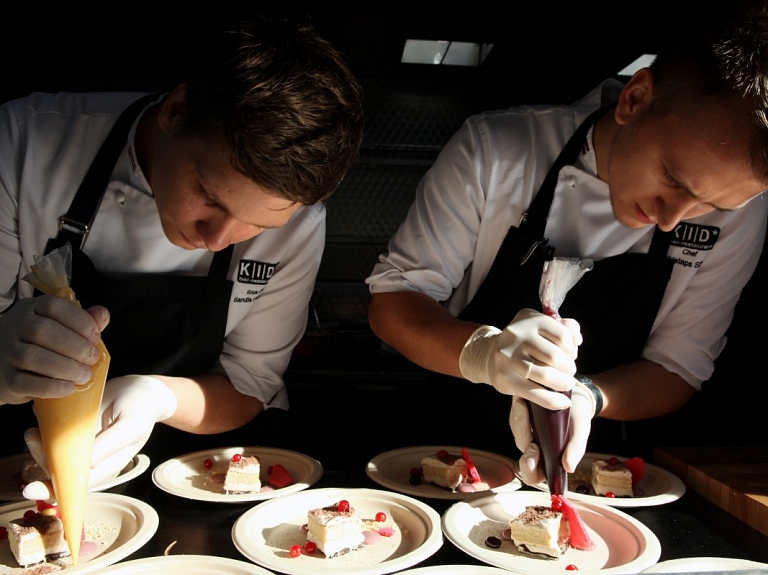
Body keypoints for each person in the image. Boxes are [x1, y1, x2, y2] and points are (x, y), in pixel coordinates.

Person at [366, 5, 768, 485]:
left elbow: (677, 368)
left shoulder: (743, 214)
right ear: (635, 99)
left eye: (711, 206)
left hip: (592, 465)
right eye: (672, 178)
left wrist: (585, 397)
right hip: (449, 447)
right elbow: (393, 304)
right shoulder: (496, 150)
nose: (669, 221)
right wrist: (485, 354)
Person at [0, 17, 364, 491]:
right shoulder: (20, 144)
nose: (218, 239)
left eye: (257, 225)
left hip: (189, 472)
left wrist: (156, 397)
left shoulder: (301, 226)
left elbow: (249, 383)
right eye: (211, 197)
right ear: (175, 111)